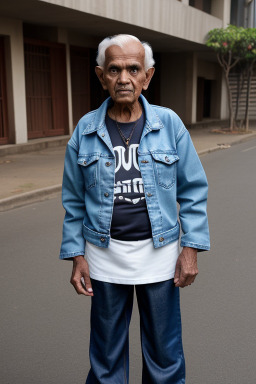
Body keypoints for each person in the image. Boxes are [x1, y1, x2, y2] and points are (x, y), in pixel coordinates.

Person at [60, 34, 210, 384]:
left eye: (133, 68)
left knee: (164, 354)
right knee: (107, 356)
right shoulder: (84, 131)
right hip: (103, 256)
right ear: (101, 76)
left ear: (148, 76)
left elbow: (193, 189)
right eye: (114, 69)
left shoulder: (169, 124)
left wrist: (191, 248)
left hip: (160, 256)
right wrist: (76, 255)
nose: (124, 78)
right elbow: (72, 199)